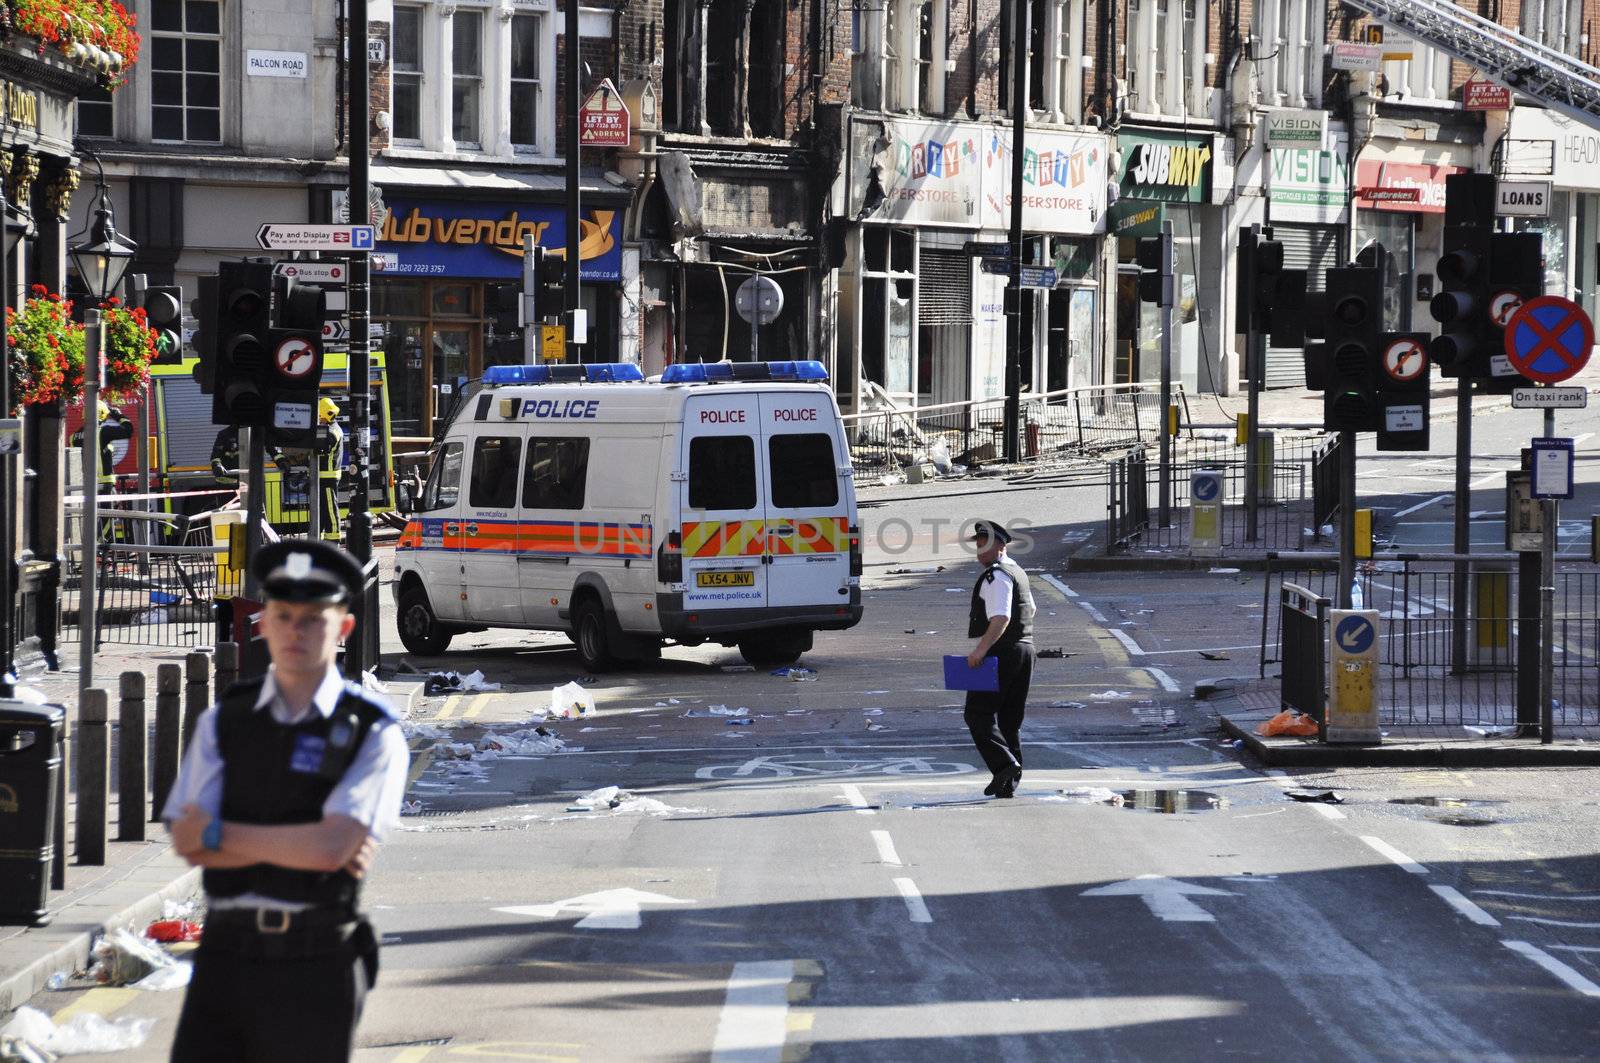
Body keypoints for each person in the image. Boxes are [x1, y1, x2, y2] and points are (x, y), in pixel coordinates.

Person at [163, 539, 408, 1063]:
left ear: (342, 629)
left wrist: (219, 832)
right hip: (223, 956)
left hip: (315, 960)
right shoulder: (225, 720)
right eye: (283, 615)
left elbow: (330, 850)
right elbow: (186, 840)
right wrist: (305, 839)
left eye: (313, 618)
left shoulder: (371, 731)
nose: (295, 631)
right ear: (264, 623)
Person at [961, 520, 1036, 799]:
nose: (980, 550)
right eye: (978, 544)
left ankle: (1005, 765)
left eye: (985, 544)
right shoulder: (1018, 572)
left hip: (1001, 652)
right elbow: (1031, 609)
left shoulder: (997, 576)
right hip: (1025, 649)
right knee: (1008, 719)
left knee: (976, 713)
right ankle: (1008, 781)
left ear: (1001, 546)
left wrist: (981, 650)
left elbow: (1001, 617)